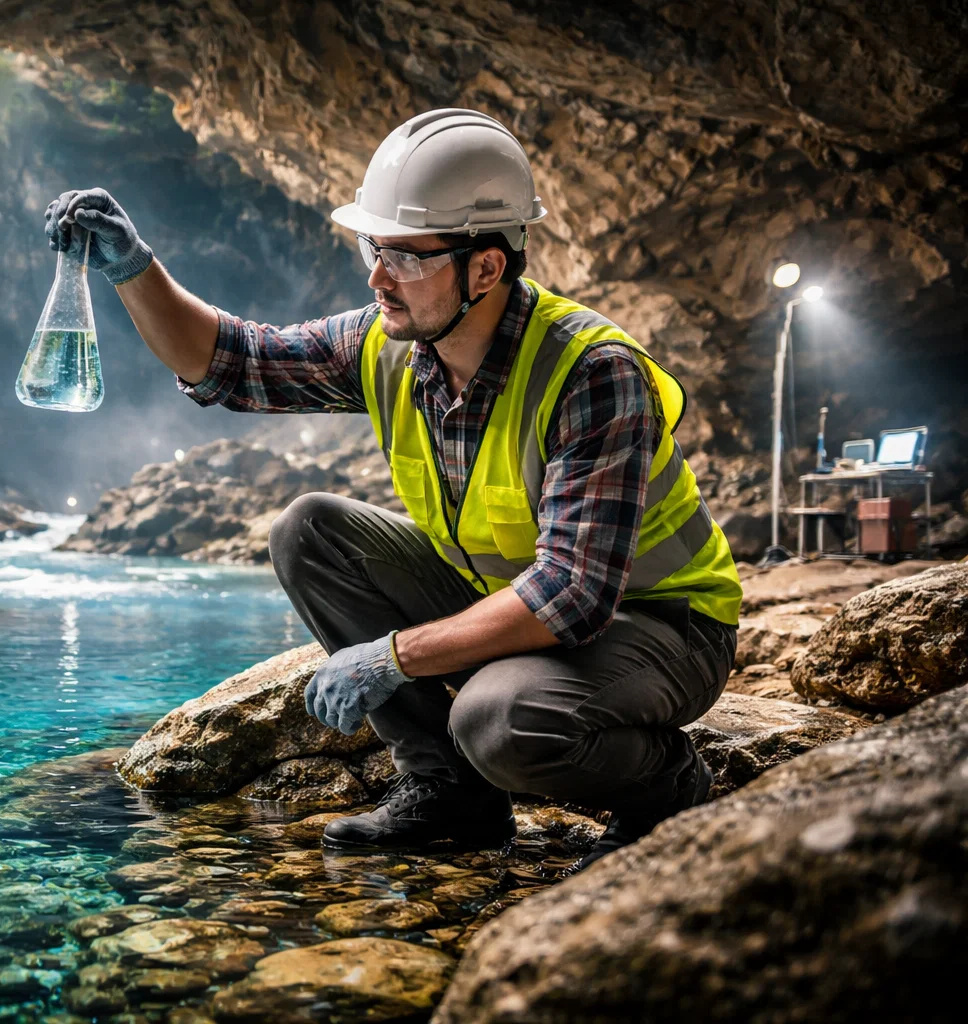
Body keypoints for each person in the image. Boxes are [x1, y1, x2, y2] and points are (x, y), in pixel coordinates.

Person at [43, 109, 742, 871]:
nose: (378, 276)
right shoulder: (389, 340)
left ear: (486, 267)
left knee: (497, 721)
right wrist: (131, 268)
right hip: (514, 597)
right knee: (310, 530)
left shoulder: (591, 371)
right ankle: (451, 796)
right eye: (373, 249)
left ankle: (668, 788)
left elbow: (571, 595)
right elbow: (232, 363)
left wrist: (392, 657)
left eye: (406, 257)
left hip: (662, 626)